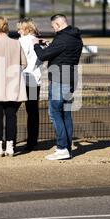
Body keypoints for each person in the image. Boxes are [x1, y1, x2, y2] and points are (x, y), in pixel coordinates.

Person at [34, 14, 83, 161]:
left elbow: (43, 56)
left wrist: (36, 45)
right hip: (71, 78)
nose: (52, 29)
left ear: (57, 24)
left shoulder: (62, 39)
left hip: (59, 80)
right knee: (66, 114)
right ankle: (67, 148)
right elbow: (61, 53)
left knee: (55, 113)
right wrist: (49, 45)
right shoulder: (76, 37)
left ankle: (62, 148)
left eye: (53, 26)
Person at [0, 16, 28, 157]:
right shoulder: (16, 43)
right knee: (11, 116)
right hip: (13, 85)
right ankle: (10, 148)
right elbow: (24, 63)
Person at [17, 18, 44, 151]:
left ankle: (11, 139)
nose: (18, 31)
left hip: (22, 79)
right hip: (35, 80)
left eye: (20, 28)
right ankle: (32, 141)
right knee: (32, 112)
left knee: (12, 110)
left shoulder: (22, 41)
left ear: (26, 29)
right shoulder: (39, 41)